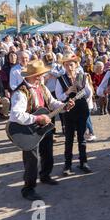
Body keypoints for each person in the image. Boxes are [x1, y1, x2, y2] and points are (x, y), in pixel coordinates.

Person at [10, 60, 75, 200]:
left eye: (41, 74)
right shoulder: (20, 93)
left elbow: (51, 102)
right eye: (38, 75)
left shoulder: (42, 87)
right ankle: (28, 188)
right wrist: (37, 118)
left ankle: (45, 175)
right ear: (29, 76)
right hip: (27, 130)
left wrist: (64, 105)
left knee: (47, 152)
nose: (41, 77)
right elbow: (16, 115)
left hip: (43, 127)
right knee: (32, 160)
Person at [56, 54, 94, 175]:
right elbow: (58, 96)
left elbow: (89, 93)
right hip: (68, 110)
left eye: (71, 64)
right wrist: (67, 92)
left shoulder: (82, 76)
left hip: (82, 109)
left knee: (82, 138)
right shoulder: (60, 79)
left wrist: (80, 91)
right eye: (66, 65)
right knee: (69, 139)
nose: (69, 67)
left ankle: (84, 162)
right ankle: (67, 165)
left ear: (76, 65)